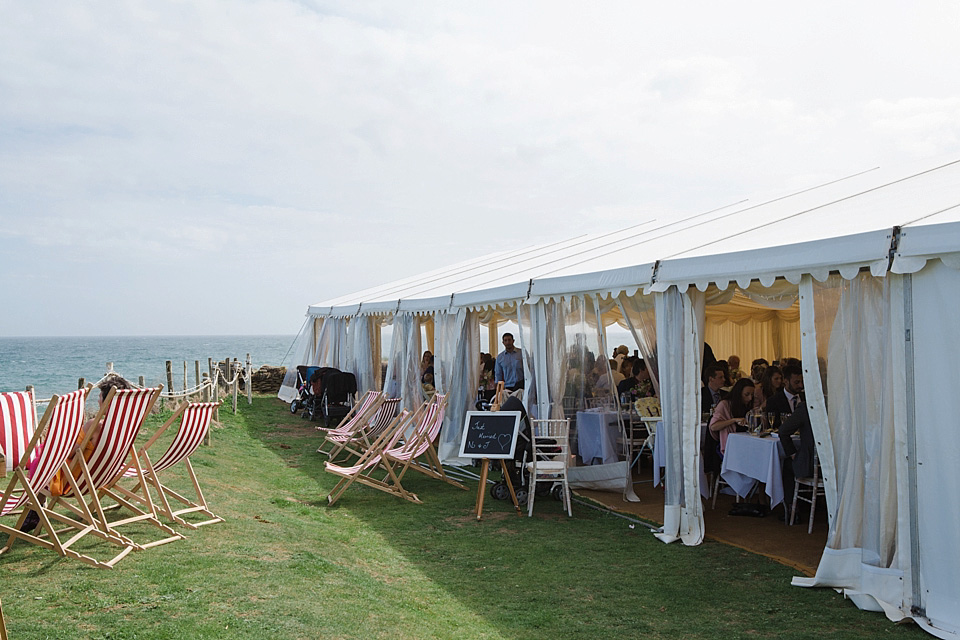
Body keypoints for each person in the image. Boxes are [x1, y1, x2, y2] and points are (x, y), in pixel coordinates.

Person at [778, 403, 816, 521]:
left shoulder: (807, 407)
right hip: (836, 466)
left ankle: (791, 509)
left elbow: (783, 431)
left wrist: (793, 454)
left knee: (786, 465)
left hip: (810, 467)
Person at [707, 378, 755, 454]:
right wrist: (733, 420)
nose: (750, 398)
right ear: (739, 393)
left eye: (752, 395)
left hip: (746, 442)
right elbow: (713, 426)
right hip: (732, 445)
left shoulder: (748, 405)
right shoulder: (725, 405)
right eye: (746, 394)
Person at [765, 363, 804, 429]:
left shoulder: (806, 398)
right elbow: (774, 426)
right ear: (786, 381)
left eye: (802, 382)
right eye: (796, 382)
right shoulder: (774, 401)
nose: (801, 386)